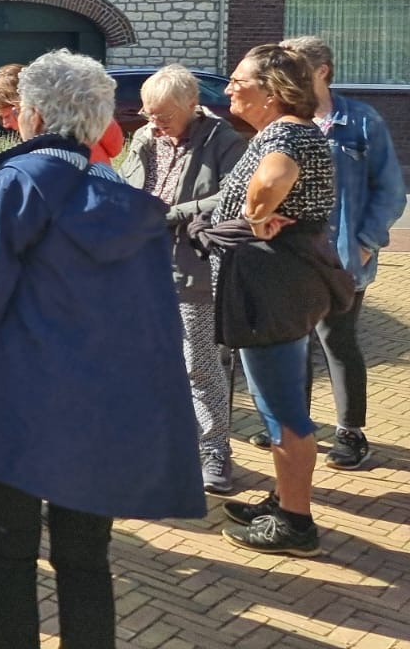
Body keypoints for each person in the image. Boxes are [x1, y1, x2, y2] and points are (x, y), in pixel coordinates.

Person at [0, 49, 203, 649]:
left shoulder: (11, 187)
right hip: (97, 411)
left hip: (13, 404)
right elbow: (153, 327)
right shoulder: (129, 203)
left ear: (31, 114)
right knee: (85, 560)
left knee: (8, 555)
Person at [213, 44, 338, 556]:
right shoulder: (291, 131)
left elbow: (273, 177)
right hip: (279, 285)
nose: (228, 88)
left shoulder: (286, 134)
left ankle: (295, 522)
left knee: (282, 410)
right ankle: (286, 499)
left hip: (273, 289)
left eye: (238, 81)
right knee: (280, 404)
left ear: (271, 92)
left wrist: (256, 215)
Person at [118, 64, 246, 494]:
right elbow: (128, 182)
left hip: (193, 267)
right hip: (143, 269)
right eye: (149, 114)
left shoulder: (224, 140)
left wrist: (172, 214)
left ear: (193, 105)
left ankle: (214, 451)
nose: (155, 123)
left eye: (164, 116)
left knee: (199, 365)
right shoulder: (144, 136)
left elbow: (232, 198)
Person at [280, 35, 405, 470]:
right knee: (293, 343)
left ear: (322, 72)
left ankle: (351, 432)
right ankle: (296, 426)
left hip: (343, 257)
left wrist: (367, 244)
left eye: (295, 68)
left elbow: (390, 192)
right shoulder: (284, 121)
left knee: (337, 341)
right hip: (291, 257)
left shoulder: (361, 121)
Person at [0, 59, 123, 164]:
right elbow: (115, 147)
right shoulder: (83, 113)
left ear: (26, 106)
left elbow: (114, 147)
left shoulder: (50, 144)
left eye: (8, 116)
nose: (5, 124)